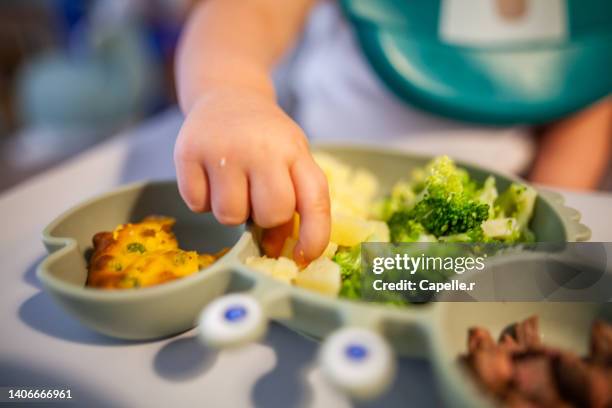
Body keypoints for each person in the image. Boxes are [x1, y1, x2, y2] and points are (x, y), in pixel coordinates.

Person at [173, 0, 612, 262]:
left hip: (493, 215)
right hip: (310, 197)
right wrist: (229, 92)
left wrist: (547, 213)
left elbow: (586, 87)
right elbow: (251, 11)